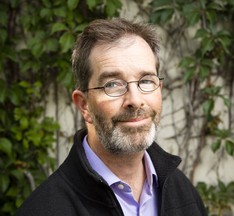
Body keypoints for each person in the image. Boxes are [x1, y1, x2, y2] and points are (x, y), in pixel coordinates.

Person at [16, 18, 207, 216]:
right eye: (113, 84)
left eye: (146, 81)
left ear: (159, 89)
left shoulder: (183, 193)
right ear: (84, 105)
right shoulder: (44, 209)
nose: (135, 100)